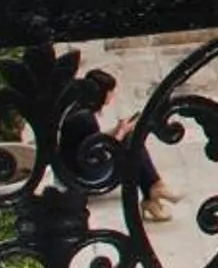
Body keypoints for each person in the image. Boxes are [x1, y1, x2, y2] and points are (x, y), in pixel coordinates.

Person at [59, 69, 175, 220]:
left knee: (130, 140)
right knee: (132, 148)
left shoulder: (79, 111)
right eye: (111, 91)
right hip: (84, 172)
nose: (113, 95)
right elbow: (101, 151)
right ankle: (154, 190)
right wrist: (121, 133)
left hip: (78, 163)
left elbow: (93, 140)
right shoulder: (84, 118)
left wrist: (117, 130)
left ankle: (153, 192)